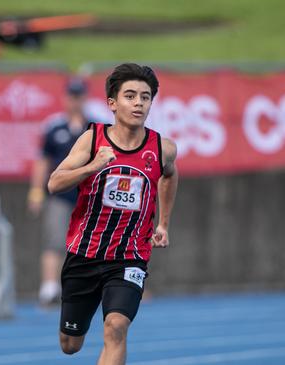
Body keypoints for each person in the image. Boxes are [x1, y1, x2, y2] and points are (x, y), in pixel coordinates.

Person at [48, 63, 178, 364]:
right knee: (70, 344)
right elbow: (54, 183)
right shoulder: (92, 140)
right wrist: (93, 166)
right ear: (112, 103)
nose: (138, 103)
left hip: (129, 256)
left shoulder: (163, 148)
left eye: (145, 97)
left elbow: (170, 175)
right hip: (85, 254)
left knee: (116, 327)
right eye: (130, 96)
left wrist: (164, 223)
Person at [27, 77, 91, 307]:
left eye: (79, 97)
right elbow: (42, 161)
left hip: (88, 196)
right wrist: (36, 192)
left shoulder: (95, 126)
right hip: (60, 195)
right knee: (55, 240)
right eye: (71, 97)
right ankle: (49, 287)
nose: (75, 101)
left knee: (89, 244)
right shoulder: (54, 127)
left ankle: (85, 287)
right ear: (65, 99)